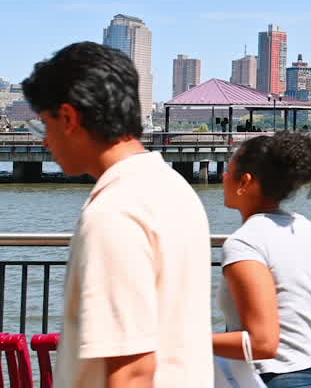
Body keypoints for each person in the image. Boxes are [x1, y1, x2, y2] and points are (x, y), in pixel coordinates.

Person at [22, 42, 213, 388]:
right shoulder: (175, 188)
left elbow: (132, 371)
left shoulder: (114, 213)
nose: (44, 143)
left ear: (68, 118)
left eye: (43, 126)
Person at [213, 131, 311, 387]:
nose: (223, 177)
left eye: (228, 169)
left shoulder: (244, 243)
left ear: (245, 182)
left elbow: (262, 344)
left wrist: (181, 340)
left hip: (275, 378)